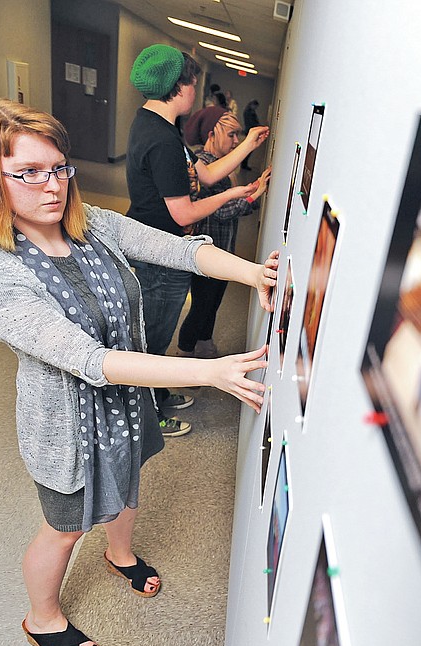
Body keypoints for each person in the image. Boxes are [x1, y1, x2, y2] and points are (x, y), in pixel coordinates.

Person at [0, 97, 279, 646]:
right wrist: (210, 373)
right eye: (28, 174)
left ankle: (120, 554)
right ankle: (41, 618)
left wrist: (255, 274)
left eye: (58, 168)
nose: (52, 186)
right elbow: (90, 359)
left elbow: (175, 249)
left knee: (129, 483)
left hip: (128, 399)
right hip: (68, 427)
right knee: (65, 530)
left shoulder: (88, 223)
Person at [125, 44, 269, 436]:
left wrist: (247, 146)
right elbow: (184, 212)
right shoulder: (162, 139)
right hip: (159, 253)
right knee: (153, 340)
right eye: (192, 80)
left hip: (160, 247)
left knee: (158, 333)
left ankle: (157, 395)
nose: (196, 88)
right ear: (180, 86)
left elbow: (201, 176)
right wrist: (231, 195)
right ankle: (147, 416)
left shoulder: (156, 123)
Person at [178, 110, 272, 357]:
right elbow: (220, 211)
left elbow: (232, 204)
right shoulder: (203, 164)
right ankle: (185, 352)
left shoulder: (221, 167)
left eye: (238, 135)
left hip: (222, 248)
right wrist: (256, 193)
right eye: (231, 134)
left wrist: (252, 191)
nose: (235, 141)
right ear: (211, 134)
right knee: (201, 306)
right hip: (207, 251)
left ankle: (204, 345)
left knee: (212, 304)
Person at [241, 100, 261, 170]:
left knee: (248, 149)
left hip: (249, 131)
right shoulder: (249, 113)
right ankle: (244, 164)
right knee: (249, 149)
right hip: (250, 131)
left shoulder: (248, 112)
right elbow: (251, 123)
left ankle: (244, 164)